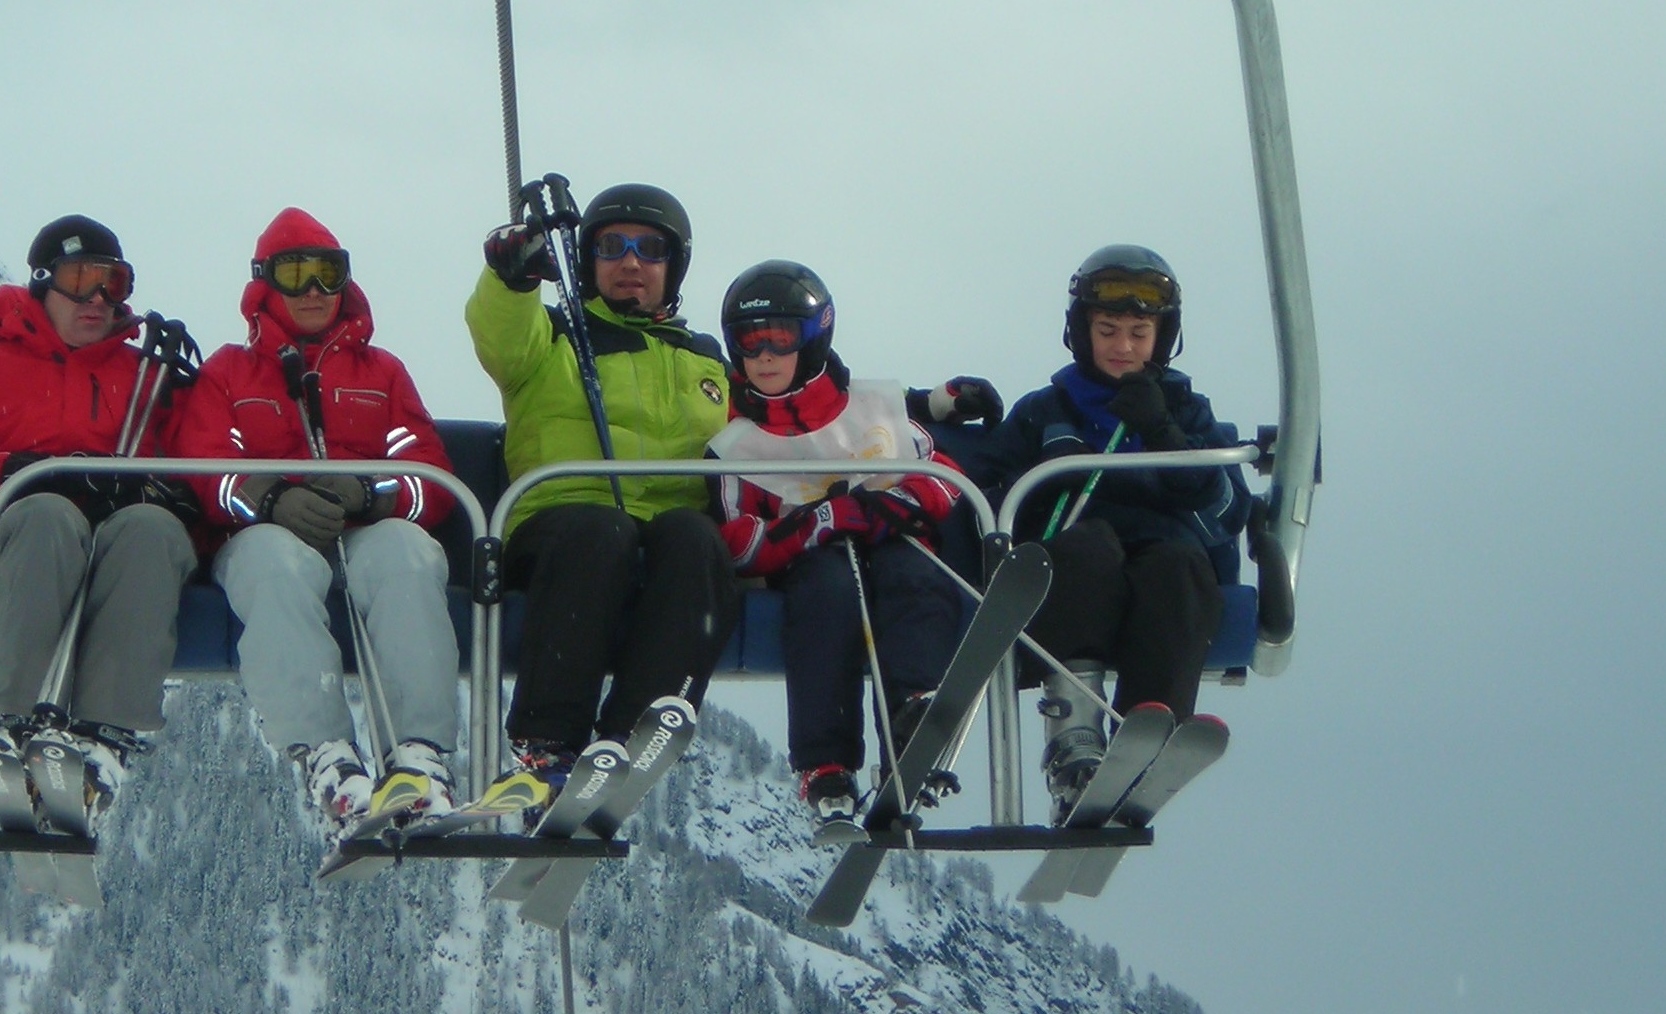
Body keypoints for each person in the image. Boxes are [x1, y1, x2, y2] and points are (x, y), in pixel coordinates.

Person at [173, 208, 461, 833]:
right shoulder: (229, 372)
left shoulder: (380, 372)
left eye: (328, 273)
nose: (312, 290)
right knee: (272, 566)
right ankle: (328, 756)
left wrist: (373, 496)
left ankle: (418, 754)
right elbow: (204, 468)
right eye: (293, 273)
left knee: (408, 554)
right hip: (266, 536)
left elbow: (429, 475)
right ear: (264, 282)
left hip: (363, 532)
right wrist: (269, 500)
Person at [467, 182, 741, 815]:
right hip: (562, 525)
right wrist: (510, 278)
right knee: (602, 532)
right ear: (588, 261)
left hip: (666, 534)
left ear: (674, 266)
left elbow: (786, 414)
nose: (630, 262)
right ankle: (548, 744)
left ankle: (628, 738)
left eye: (650, 250)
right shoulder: (554, 337)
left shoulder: (706, 362)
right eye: (612, 247)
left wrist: (914, 408)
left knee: (700, 540)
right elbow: (501, 337)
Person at [0, 214, 197, 824]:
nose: (96, 299)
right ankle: (18, 720)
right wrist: (24, 472)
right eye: (78, 280)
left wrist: (158, 493)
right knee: (46, 514)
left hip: (124, 546)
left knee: (152, 532)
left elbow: (194, 467)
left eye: (112, 283)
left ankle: (103, 740)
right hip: (33, 544)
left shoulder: (148, 380)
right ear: (43, 284)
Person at [707, 261, 1000, 830]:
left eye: (779, 338)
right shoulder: (738, 441)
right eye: (749, 341)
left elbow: (944, 477)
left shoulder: (872, 409)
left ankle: (914, 716)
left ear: (814, 338)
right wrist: (818, 522)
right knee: (828, 591)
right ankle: (826, 763)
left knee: (912, 572)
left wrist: (893, 505)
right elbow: (738, 541)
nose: (763, 356)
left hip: (891, 541)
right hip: (809, 562)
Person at [968, 244, 1246, 819]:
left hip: (1162, 553)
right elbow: (982, 501)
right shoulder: (1047, 411)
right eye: (1108, 330)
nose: (1124, 347)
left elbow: (1224, 512)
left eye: (1139, 333)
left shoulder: (1187, 413)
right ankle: (1075, 737)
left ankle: (1149, 728)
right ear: (1082, 331)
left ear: (1162, 338)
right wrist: (1039, 486)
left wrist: (1164, 433)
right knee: (1088, 550)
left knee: (1178, 566)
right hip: (1073, 564)